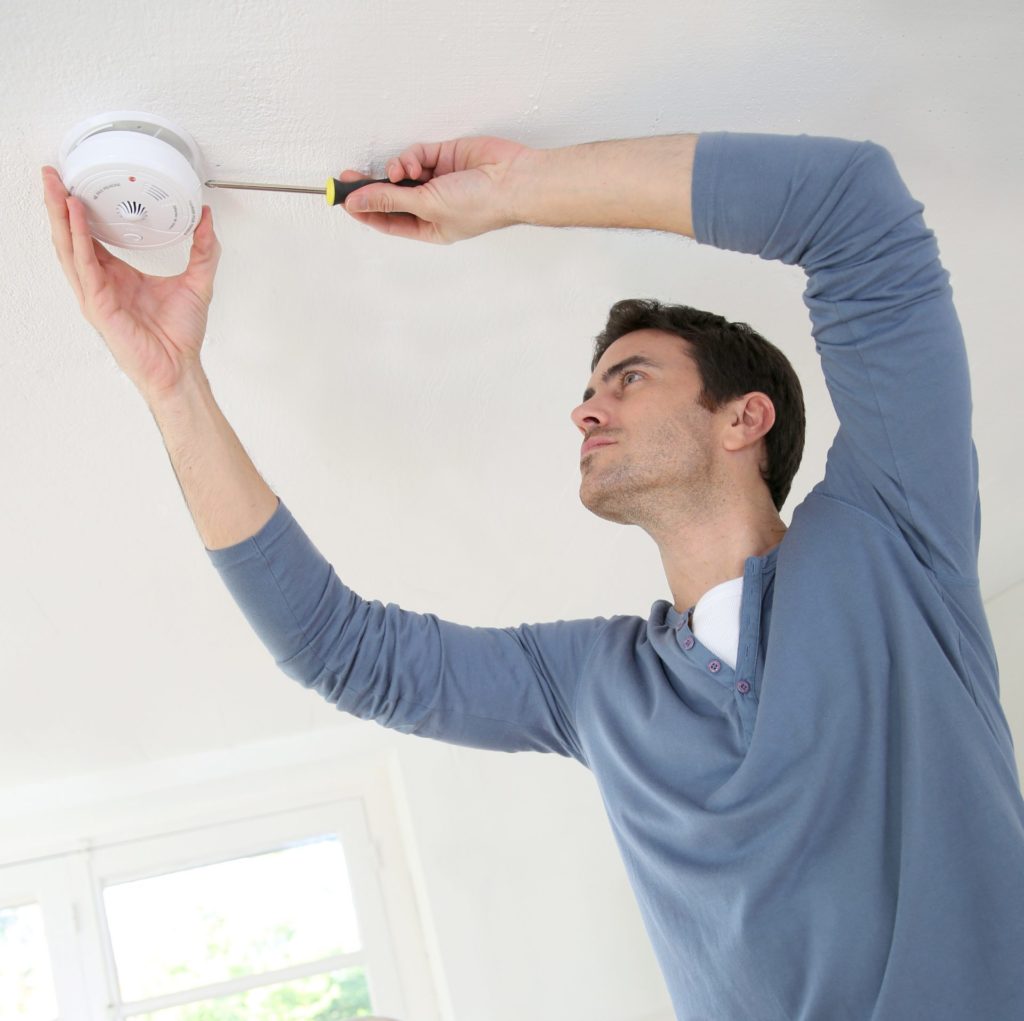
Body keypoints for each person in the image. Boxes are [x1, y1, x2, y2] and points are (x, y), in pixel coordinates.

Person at [42, 128, 1024, 1020]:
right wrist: (173, 387)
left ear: (745, 417)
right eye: (590, 388)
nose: (584, 411)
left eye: (627, 377)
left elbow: (856, 209)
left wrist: (513, 192)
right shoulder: (599, 688)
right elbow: (337, 649)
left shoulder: (892, 536)